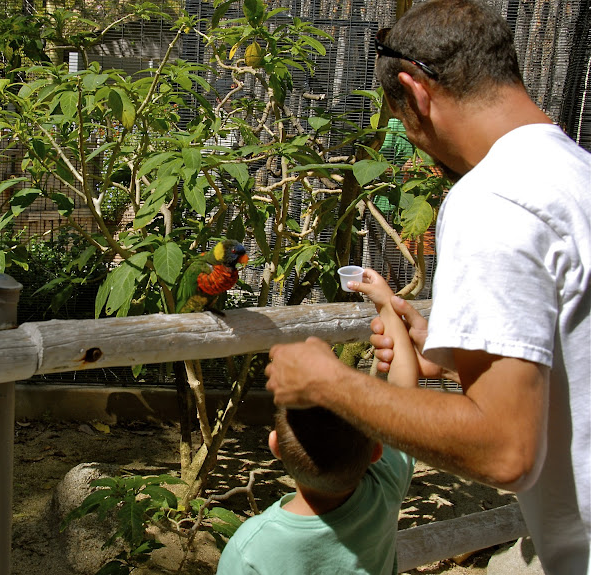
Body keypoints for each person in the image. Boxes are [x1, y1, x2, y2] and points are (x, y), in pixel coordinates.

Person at [264, 1, 591, 574]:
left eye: (402, 121)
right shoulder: (574, 172)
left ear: (415, 94)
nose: (411, 140)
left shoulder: (493, 199)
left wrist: (331, 384)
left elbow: (504, 452)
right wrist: (454, 346)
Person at [218, 271, 416, 574]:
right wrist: (388, 306)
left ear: (276, 446)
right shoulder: (384, 488)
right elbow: (404, 396)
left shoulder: (251, 549)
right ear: (376, 451)